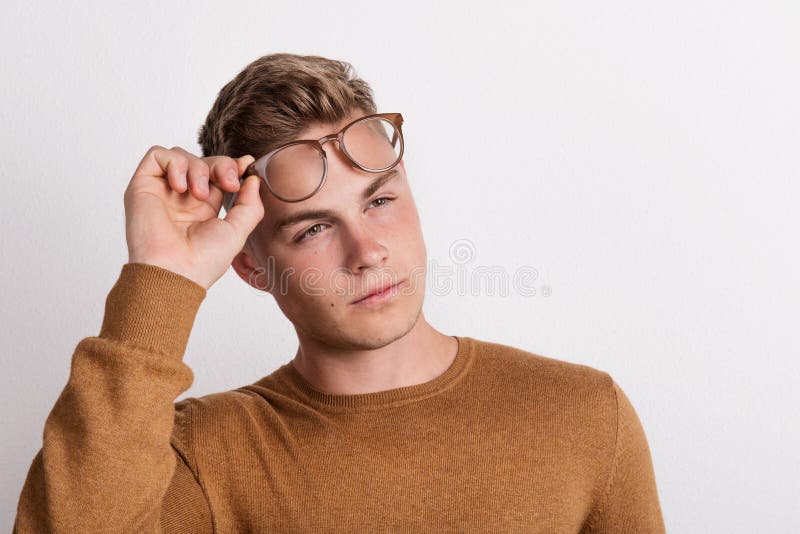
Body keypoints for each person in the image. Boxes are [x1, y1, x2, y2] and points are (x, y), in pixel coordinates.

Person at [14, 53, 666, 533]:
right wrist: (163, 276)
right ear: (250, 265)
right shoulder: (204, 455)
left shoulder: (582, 414)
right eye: (316, 227)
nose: (368, 251)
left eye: (380, 200)